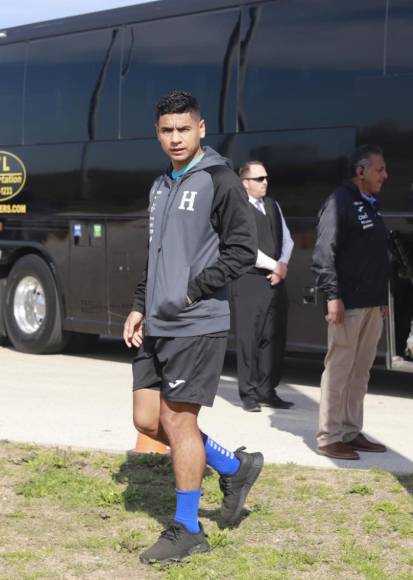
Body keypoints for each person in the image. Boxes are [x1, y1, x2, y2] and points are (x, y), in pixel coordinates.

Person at [122, 90, 264, 564]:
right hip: (158, 322)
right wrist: (141, 304)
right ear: (157, 133)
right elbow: (155, 253)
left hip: (195, 322)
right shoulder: (161, 185)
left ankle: (187, 528)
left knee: (179, 421)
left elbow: (243, 250)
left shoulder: (220, 180)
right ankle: (232, 465)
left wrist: (194, 290)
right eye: (167, 130)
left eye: (185, 129)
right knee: (147, 419)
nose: (176, 138)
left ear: (201, 129)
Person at [310, 145, 391, 460]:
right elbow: (323, 253)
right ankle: (330, 436)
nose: (385, 175)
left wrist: (381, 298)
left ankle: (350, 430)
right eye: (379, 169)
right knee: (339, 369)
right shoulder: (338, 202)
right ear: (361, 171)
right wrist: (333, 295)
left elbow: (374, 255)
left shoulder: (370, 203)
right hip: (348, 302)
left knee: (360, 370)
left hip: (371, 302)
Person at [230, 161, 295, 412]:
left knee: (273, 337)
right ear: (245, 183)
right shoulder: (237, 209)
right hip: (249, 281)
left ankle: (268, 390)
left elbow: (287, 239)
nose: (265, 182)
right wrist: (275, 266)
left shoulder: (273, 205)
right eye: (259, 179)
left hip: (275, 281)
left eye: (266, 178)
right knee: (249, 339)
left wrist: (283, 265)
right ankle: (248, 393)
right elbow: (245, 249)